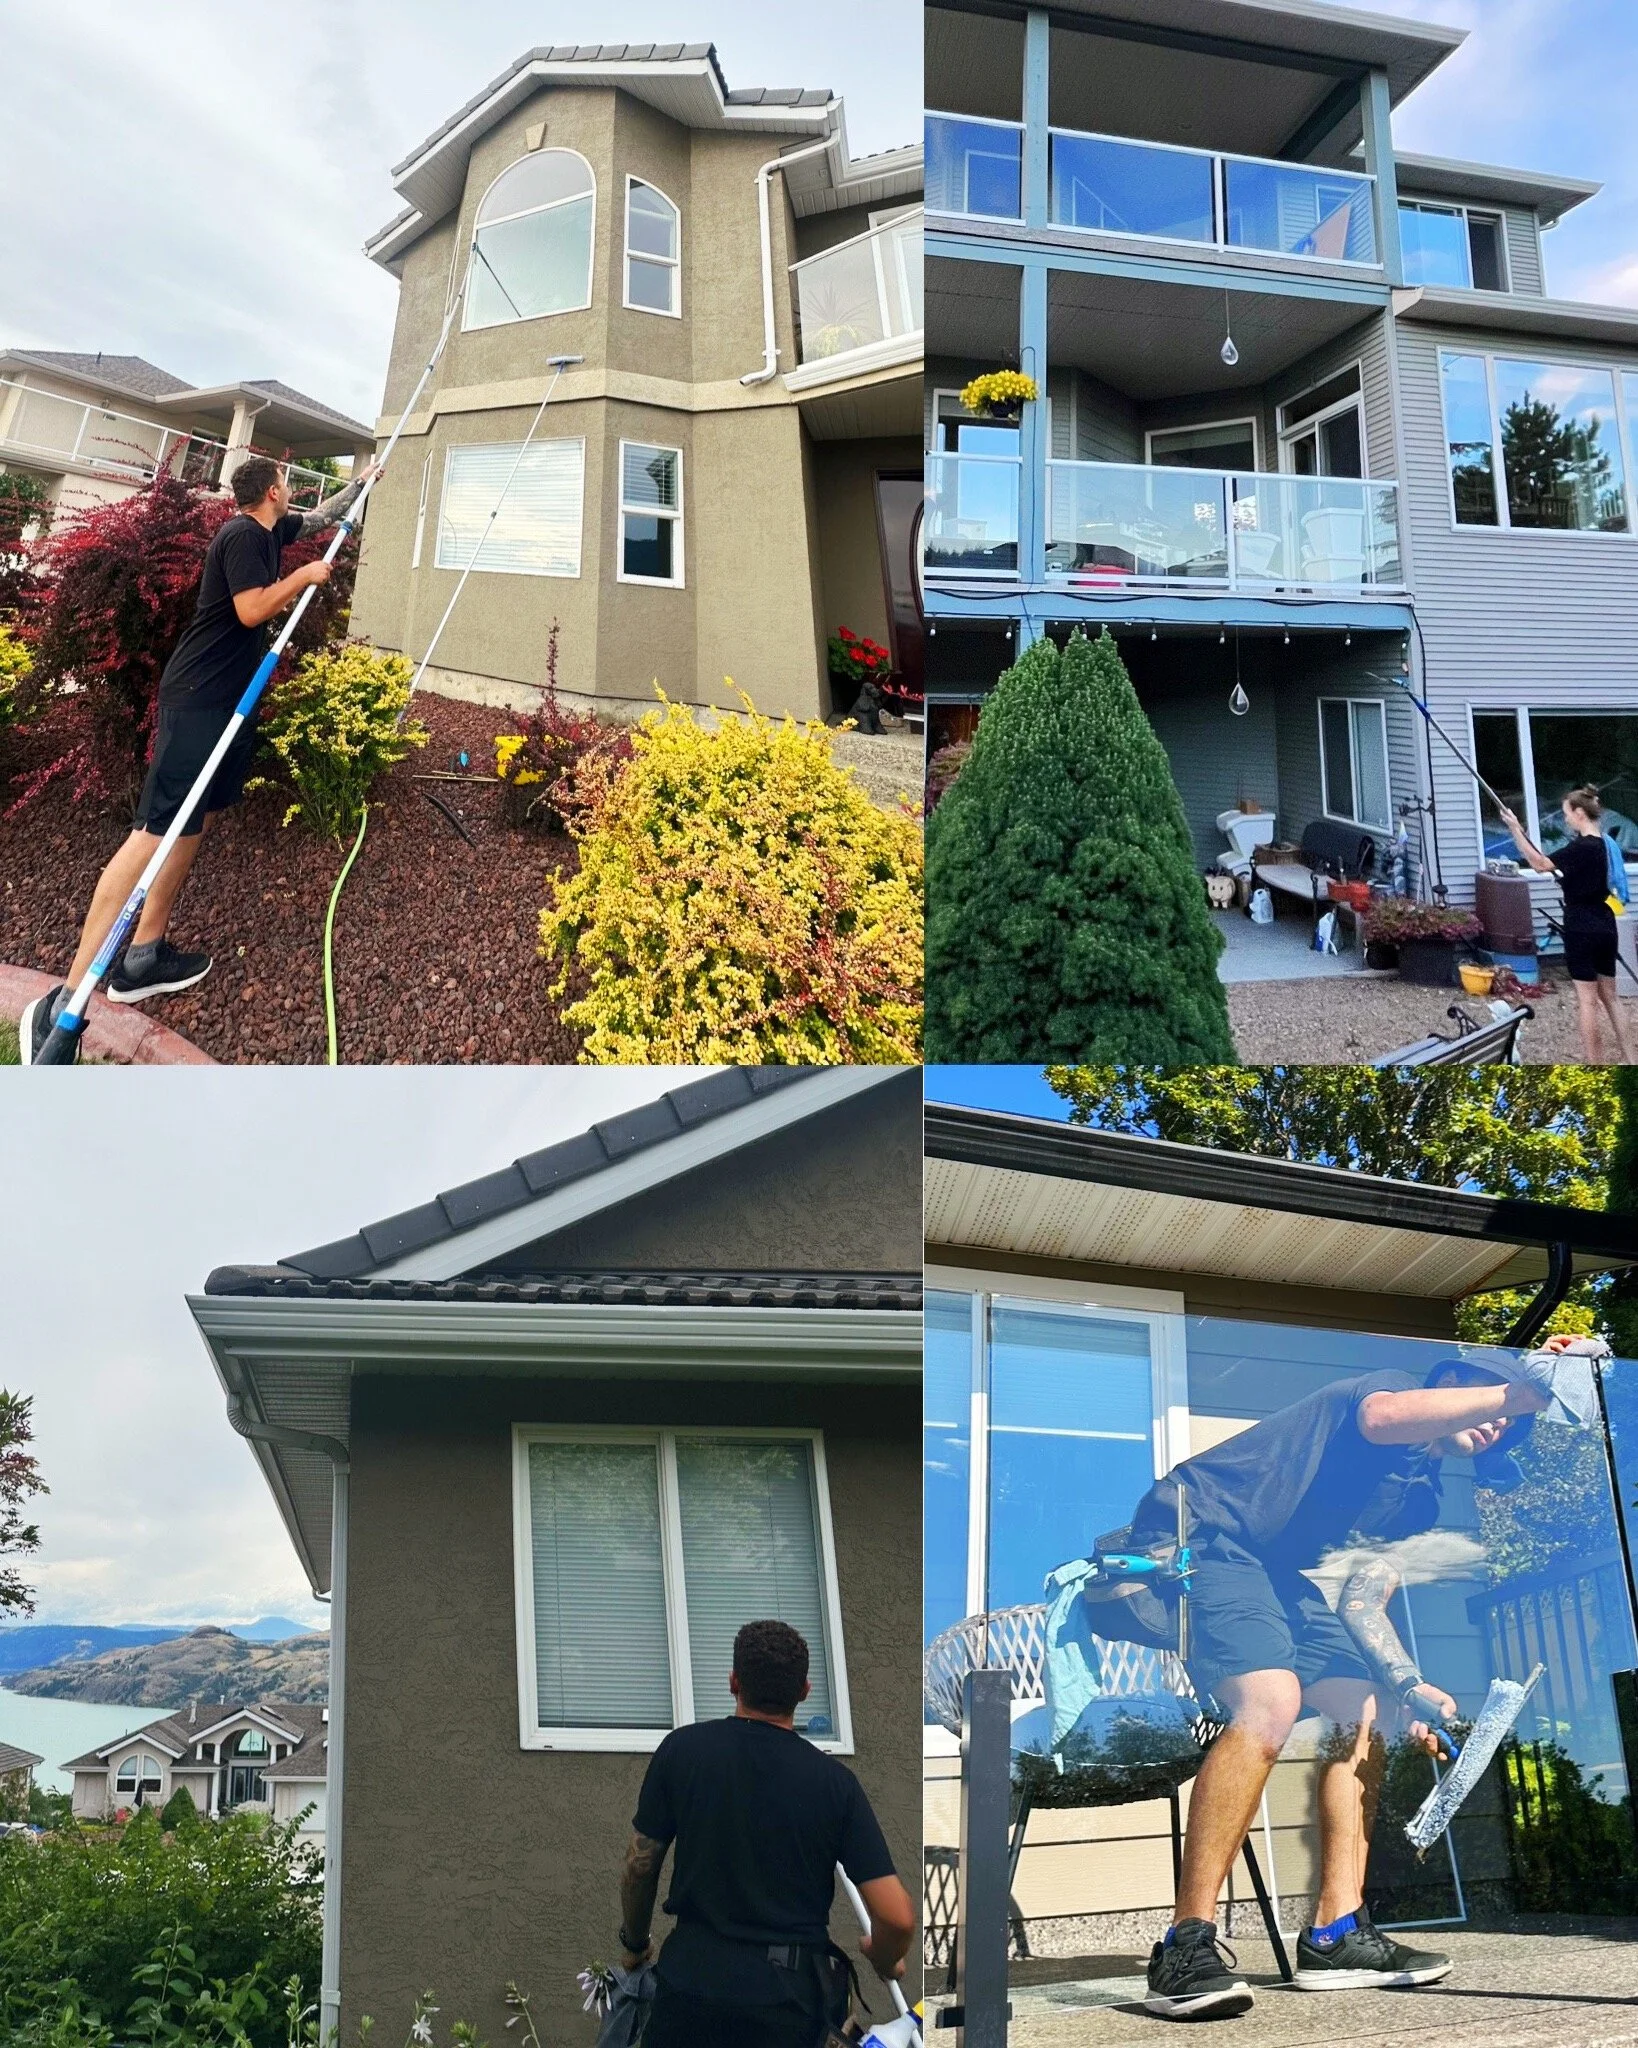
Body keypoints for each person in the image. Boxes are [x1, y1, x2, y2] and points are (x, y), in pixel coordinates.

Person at [1129, 1341, 1579, 2021]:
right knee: (1273, 1698)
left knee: (1360, 1707)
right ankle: (1184, 1944)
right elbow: (1385, 1418)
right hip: (1205, 1531)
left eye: (1511, 1419)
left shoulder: (1419, 1501)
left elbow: (1364, 1595)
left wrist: (1406, 1685)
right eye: (1491, 1392)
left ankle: (1337, 1934)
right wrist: (1527, 1388)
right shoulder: (1387, 1389)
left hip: (1275, 1571)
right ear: (1450, 1381)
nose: (1500, 1419)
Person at [19, 453, 380, 1064]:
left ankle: (143, 957)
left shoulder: (272, 528)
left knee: (198, 820)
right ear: (271, 491)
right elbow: (250, 610)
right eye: (287, 485)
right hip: (197, 701)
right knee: (152, 833)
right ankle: (64, 1001)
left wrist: (364, 485)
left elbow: (322, 518)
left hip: (227, 703)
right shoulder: (242, 535)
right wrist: (304, 578)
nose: (292, 493)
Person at [615, 1618, 916, 2047]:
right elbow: (897, 1916)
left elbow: (640, 1866)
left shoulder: (682, 1752)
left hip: (692, 1985)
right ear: (805, 1692)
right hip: (787, 2003)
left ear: (733, 1682)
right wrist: (886, 1959)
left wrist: (635, 1943)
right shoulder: (834, 1784)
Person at [1496, 787, 1635, 1064]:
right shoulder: (1607, 845)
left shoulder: (1581, 848)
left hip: (1581, 925)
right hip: (1606, 922)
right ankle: (1632, 1060)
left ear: (1580, 813)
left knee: (1587, 1001)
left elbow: (1538, 864)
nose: (1566, 820)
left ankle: (1595, 1066)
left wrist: (1515, 829)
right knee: (1611, 997)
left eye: (1567, 814)